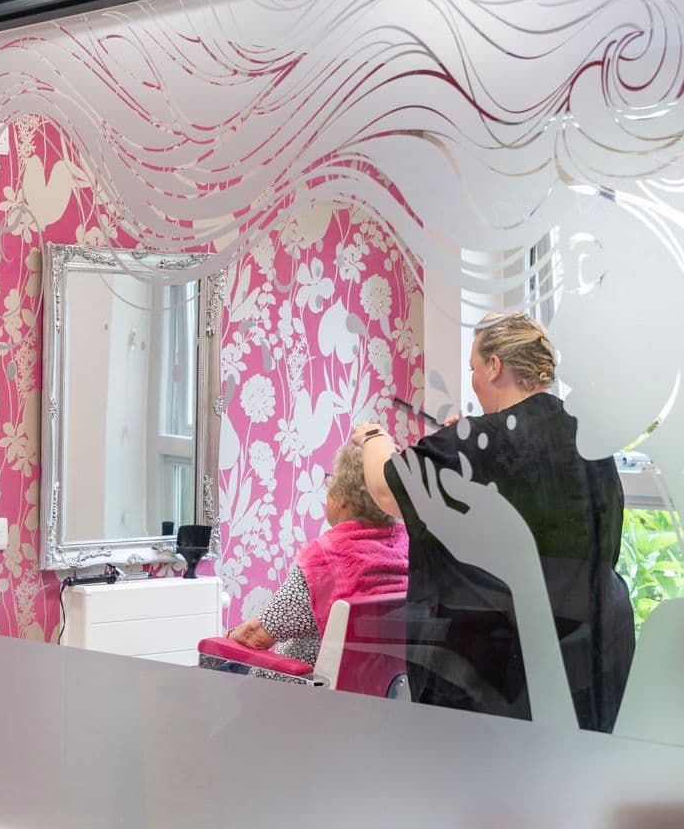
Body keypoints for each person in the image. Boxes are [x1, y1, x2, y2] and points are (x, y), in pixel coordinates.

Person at [353, 309, 635, 731]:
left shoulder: (477, 444)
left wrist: (374, 440)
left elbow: (383, 490)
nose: (473, 378)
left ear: (495, 366)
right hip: (592, 646)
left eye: (473, 367)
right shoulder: (584, 433)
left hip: (507, 665)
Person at [217, 441, 408, 678]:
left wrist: (222, 643)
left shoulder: (327, 560)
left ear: (343, 497)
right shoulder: (406, 548)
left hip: (301, 696)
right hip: (378, 691)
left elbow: (254, 636)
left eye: (331, 482)